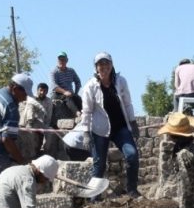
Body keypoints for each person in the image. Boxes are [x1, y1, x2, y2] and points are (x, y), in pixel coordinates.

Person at [80, 52, 140, 197]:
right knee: (99, 165)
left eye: (106, 63)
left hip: (120, 128)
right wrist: (86, 133)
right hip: (100, 130)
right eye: (100, 64)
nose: (104, 67)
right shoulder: (90, 86)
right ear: (96, 68)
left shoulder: (120, 82)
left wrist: (133, 122)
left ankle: (132, 190)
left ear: (112, 65)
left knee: (132, 155)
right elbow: (86, 111)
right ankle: (94, 198)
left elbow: (127, 104)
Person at [49, 51, 82, 115]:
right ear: (57, 60)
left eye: (63, 59)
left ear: (67, 60)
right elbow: (54, 86)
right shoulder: (54, 72)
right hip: (57, 94)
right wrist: (64, 92)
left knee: (78, 98)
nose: (61, 61)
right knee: (67, 97)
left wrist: (76, 93)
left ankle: (85, 113)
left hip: (70, 93)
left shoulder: (71, 71)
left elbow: (78, 82)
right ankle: (77, 113)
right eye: (60, 59)